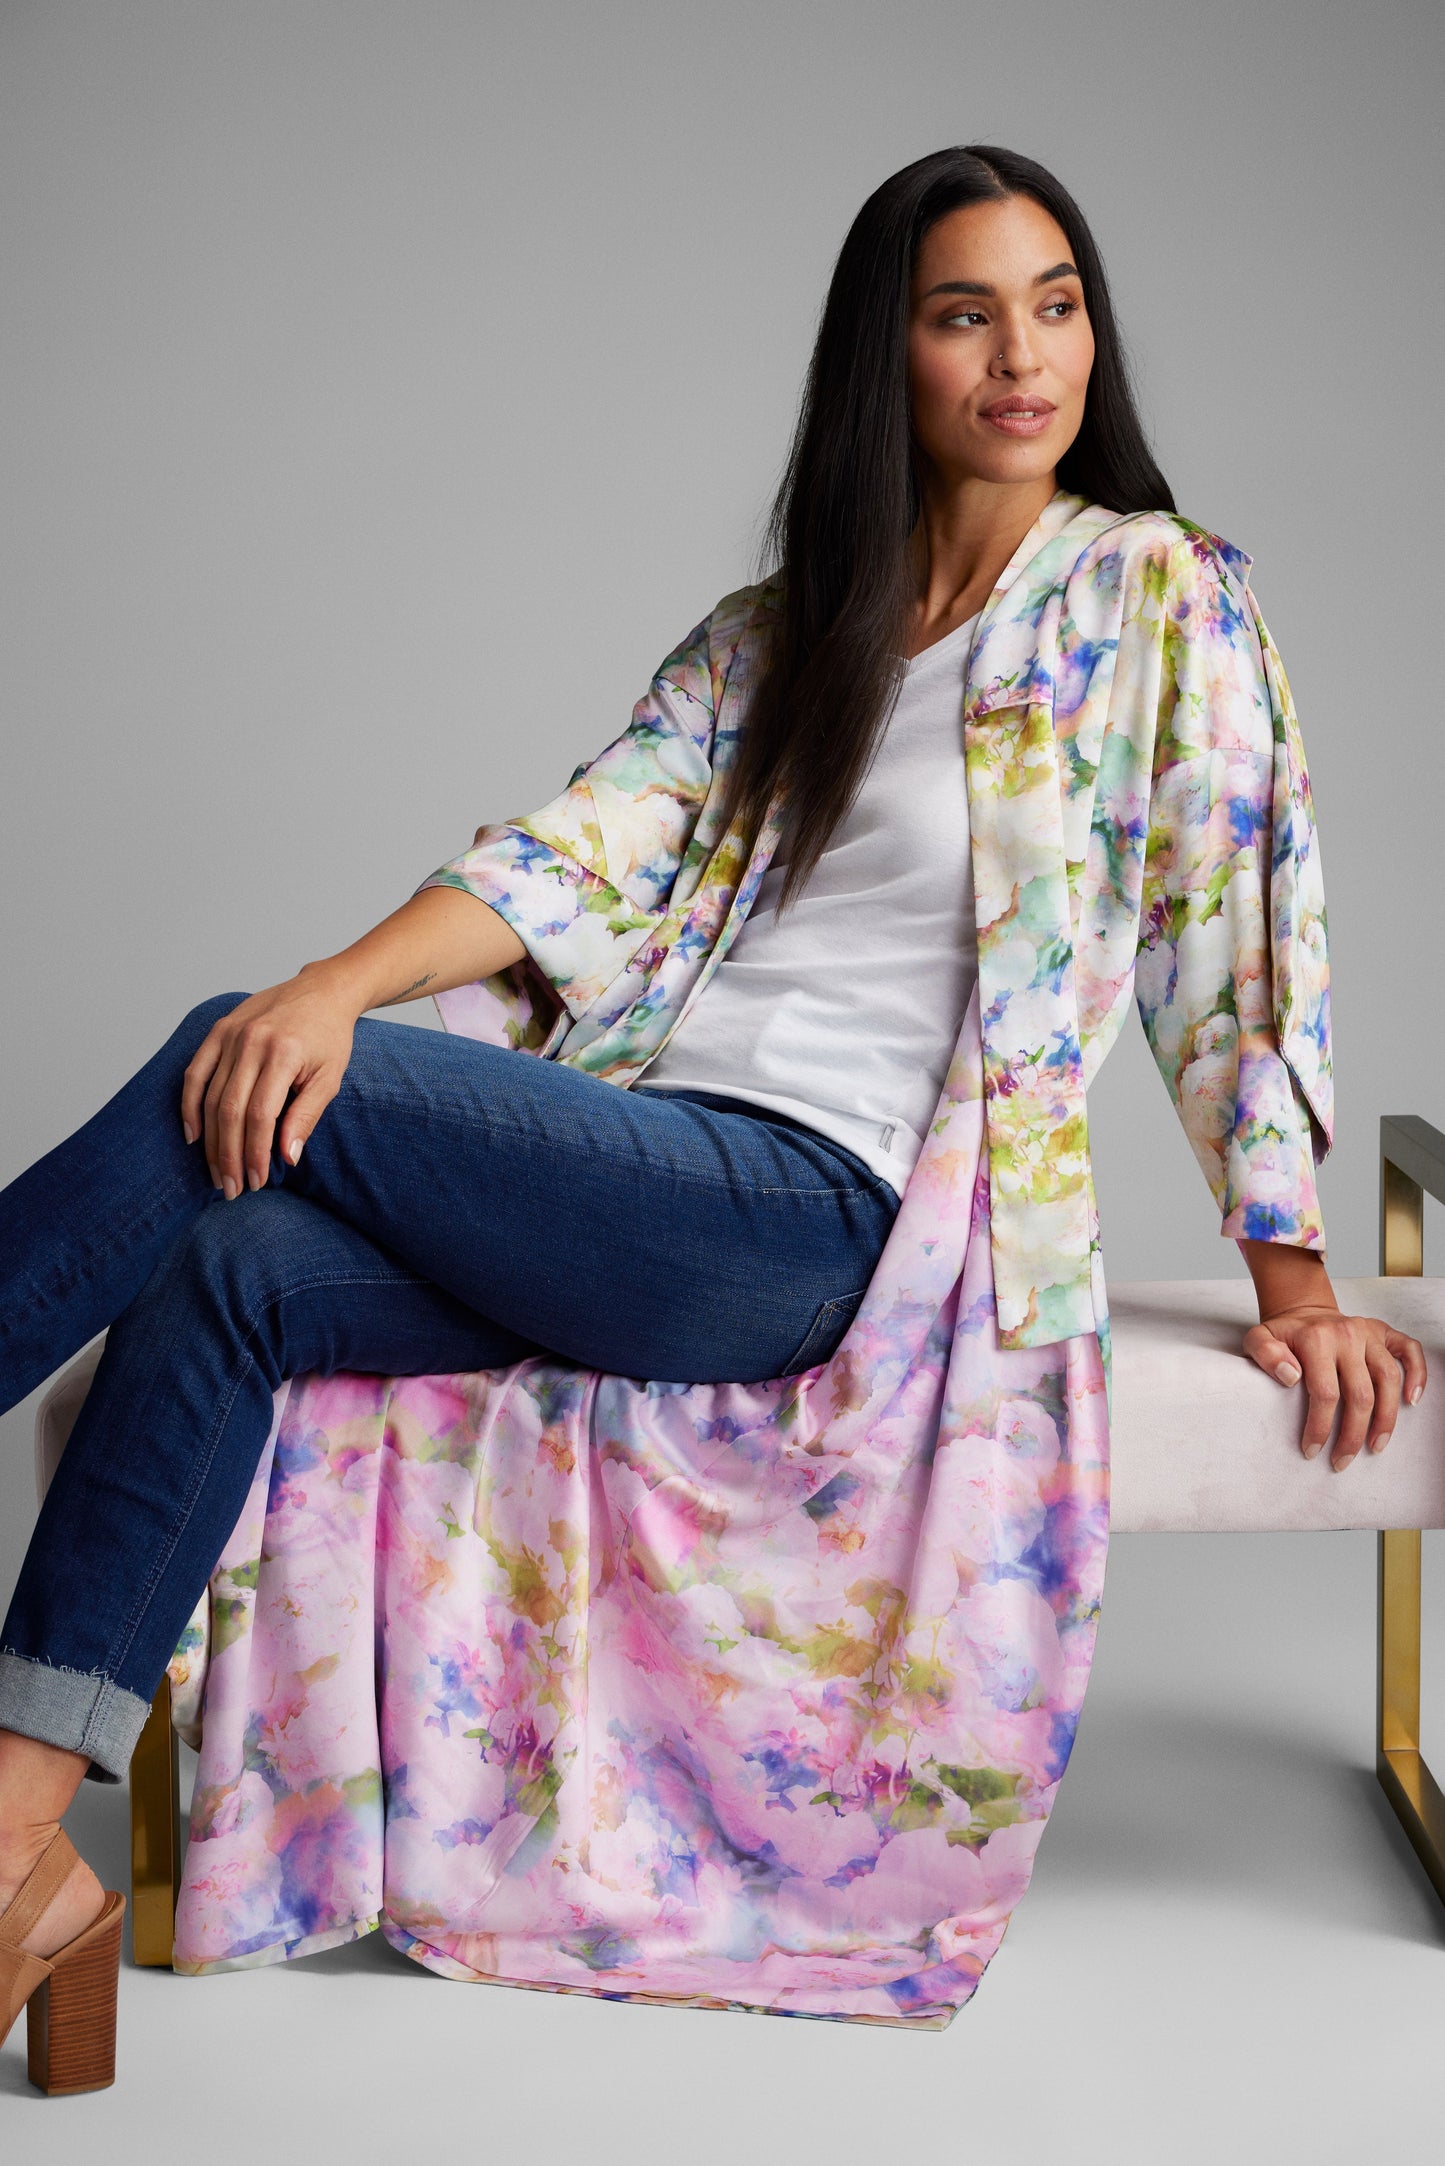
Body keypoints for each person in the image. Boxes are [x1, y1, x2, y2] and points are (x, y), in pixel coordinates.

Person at [0, 143, 1427, 2077]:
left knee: (220, 1056)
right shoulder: (784, 632)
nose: (1023, 355)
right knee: (242, 1260)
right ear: (887, 353)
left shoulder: (1154, 599)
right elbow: (565, 857)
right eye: (963, 312)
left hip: (814, 1221)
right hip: (650, 1176)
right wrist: (341, 978)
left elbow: (1232, 925)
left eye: (1055, 301)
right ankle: (21, 1861)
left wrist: (1294, 1271)